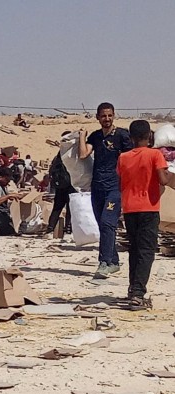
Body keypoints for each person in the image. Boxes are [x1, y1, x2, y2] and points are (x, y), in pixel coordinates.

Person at [118, 120, 175, 307]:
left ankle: (132, 288)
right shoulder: (155, 155)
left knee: (134, 249)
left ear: (131, 137)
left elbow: (121, 181)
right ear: (150, 136)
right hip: (148, 208)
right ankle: (137, 294)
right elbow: (163, 179)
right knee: (147, 251)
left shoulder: (123, 157)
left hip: (129, 208)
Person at [79, 102, 133, 279]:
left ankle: (104, 262)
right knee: (103, 225)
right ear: (98, 117)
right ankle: (114, 262)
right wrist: (82, 136)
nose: (107, 119)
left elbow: (131, 160)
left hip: (115, 187)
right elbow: (83, 154)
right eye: (103, 116)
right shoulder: (95, 137)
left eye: (109, 115)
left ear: (114, 115)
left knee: (107, 222)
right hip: (97, 187)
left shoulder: (122, 136)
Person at [0, 169, 23, 236]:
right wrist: (9, 196)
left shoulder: (3, 187)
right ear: (1, 177)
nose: (8, 181)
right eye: (6, 179)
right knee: (10, 230)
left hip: (1, 213)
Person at [47, 144, 74, 238]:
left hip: (60, 186)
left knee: (57, 208)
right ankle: (68, 231)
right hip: (71, 185)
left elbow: (51, 171)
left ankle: (50, 230)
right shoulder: (72, 155)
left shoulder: (58, 156)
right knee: (70, 209)